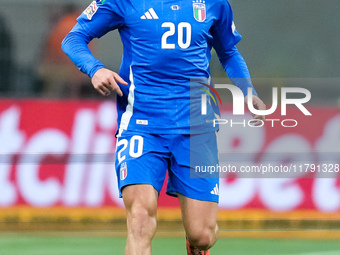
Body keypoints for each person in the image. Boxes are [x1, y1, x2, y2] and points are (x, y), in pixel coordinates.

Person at [62, 0, 266, 254]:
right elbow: (73, 39)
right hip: (142, 125)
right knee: (139, 217)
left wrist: (247, 91)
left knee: (202, 234)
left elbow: (228, 52)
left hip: (196, 127)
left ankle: (196, 244)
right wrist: (95, 69)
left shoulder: (215, 3)